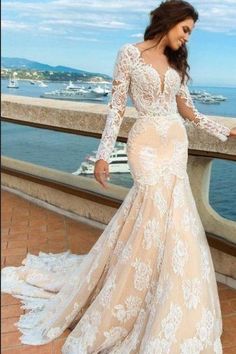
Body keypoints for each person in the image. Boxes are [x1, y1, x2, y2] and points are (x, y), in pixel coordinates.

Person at [2, 1, 236, 353]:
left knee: (175, 223)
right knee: (151, 213)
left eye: (191, 32)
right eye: (185, 29)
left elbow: (188, 110)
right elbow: (115, 108)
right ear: (169, 22)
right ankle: (133, 292)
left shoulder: (177, 62)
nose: (187, 37)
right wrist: (102, 156)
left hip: (174, 142)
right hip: (144, 145)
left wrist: (225, 132)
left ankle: (166, 294)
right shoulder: (129, 53)